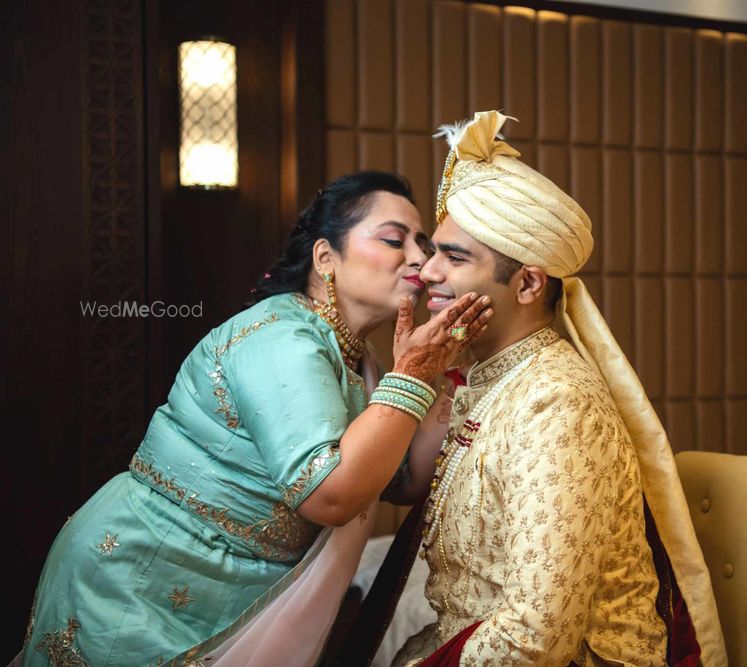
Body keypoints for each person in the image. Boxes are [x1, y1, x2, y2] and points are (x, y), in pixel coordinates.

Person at [16, 171, 493, 667]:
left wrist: (457, 364)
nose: (420, 259)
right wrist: (412, 375)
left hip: (226, 591)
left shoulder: (363, 360)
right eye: (395, 240)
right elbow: (329, 494)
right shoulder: (282, 337)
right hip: (143, 580)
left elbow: (403, 477)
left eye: (422, 244)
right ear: (326, 258)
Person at [383, 112, 727, 667]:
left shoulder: (556, 403)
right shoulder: (486, 380)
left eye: (455, 257)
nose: (426, 272)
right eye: (434, 249)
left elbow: (536, 639)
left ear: (528, 283)